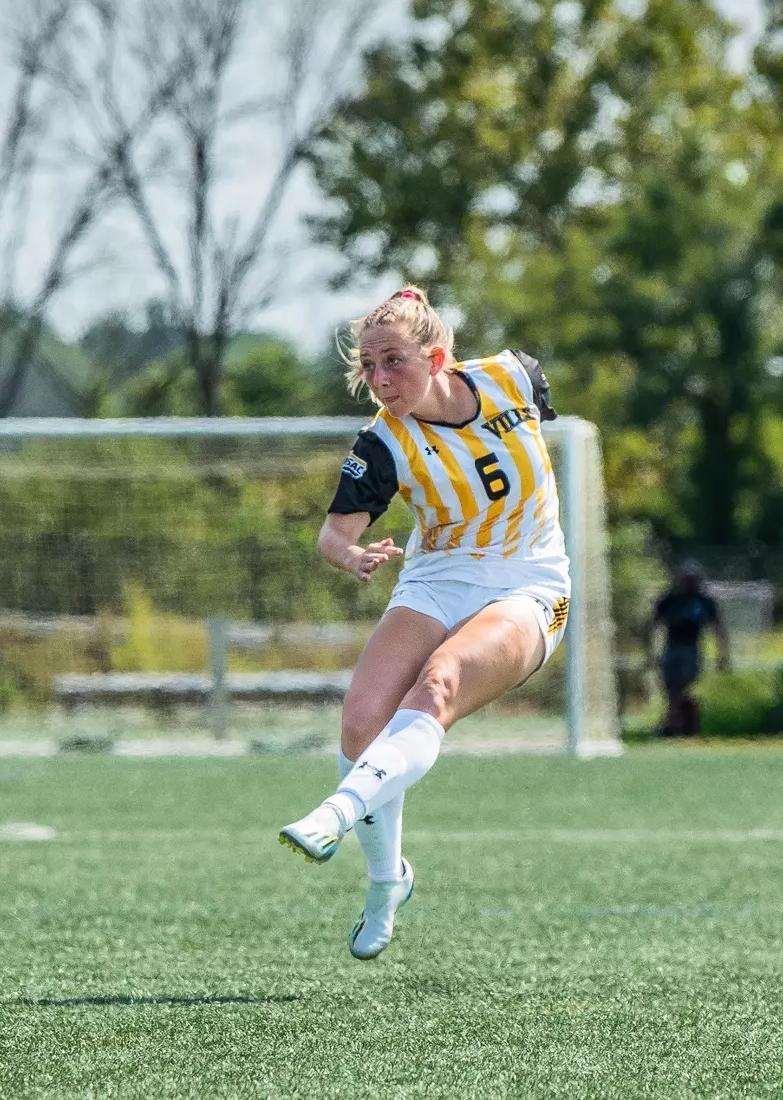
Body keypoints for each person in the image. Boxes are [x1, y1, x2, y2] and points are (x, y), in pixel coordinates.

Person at [277, 286, 570, 960]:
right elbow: (331, 534)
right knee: (359, 721)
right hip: (438, 576)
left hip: (529, 581)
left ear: (438, 356)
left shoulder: (515, 377)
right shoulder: (380, 444)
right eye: (368, 368)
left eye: (393, 362)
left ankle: (336, 813)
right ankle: (387, 882)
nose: (380, 381)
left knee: (438, 683)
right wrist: (350, 555)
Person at [647, 562, 731, 737]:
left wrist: (723, 655)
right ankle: (675, 726)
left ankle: (683, 725)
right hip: (671, 648)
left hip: (691, 649)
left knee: (686, 688)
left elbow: (718, 629)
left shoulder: (703, 601)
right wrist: (649, 652)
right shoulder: (669, 599)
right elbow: (652, 625)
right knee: (671, 690)